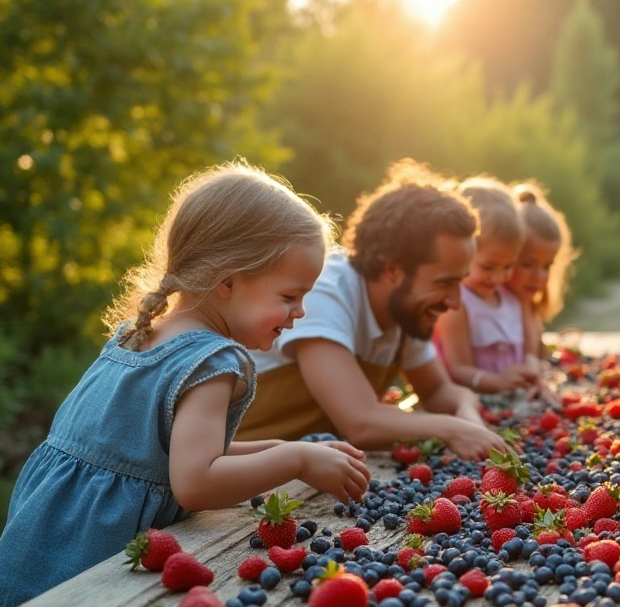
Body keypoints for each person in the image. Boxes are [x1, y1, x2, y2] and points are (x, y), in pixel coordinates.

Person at [0, 163, 371, 607]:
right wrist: (298, 461)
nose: (301, 311)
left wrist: (285, 448)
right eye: (289, 296)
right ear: (228, 281)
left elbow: (157, 450)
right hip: (82, 576)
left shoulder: (137, 335)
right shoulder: (212, 361)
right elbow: (196, 482)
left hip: (37, 550)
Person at [234, 160, 507, 461]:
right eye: (445, 283)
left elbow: (438, 391)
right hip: (232, 473)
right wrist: (454, 429)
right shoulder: (323, 293)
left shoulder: (406, 310)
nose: (455, 302)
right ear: (393, 270)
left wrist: (466, 410)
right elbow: (360, 422)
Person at [435, 178, 539, 395]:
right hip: (476, 404)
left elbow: (530, 349)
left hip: (514, 403)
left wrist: (531, 368)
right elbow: (457, 369)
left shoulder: (511, 298)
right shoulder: (458, 305)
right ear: (463, 253)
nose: (498, 277)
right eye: (488, 267)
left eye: (509, 265)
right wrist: (498, 381)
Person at [506, 181, 575, 403]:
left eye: (547, 266)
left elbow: (532, 356)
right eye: (528, 264)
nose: (539, 275)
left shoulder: (527, 306)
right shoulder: (492, 307)